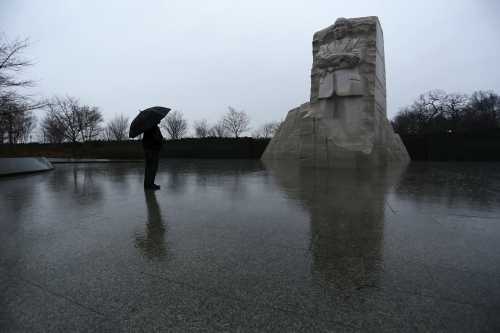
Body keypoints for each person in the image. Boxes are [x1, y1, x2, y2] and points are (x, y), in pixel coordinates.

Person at [142, 122, 163, 190]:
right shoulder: (152, 128)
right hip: (152, 151)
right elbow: (156, 139)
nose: (159, 120)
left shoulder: (151, 127)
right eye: (158, 120)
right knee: (151, 168)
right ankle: (149, 185)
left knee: (151, 169)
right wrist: (159, 139)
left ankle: (149, 184)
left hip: (151, 151)